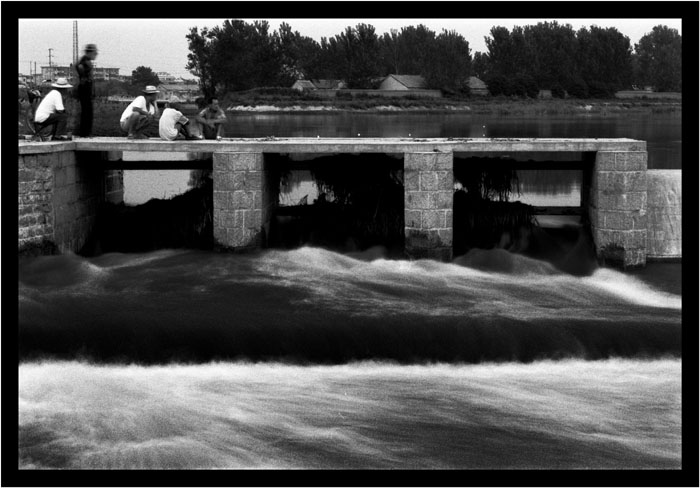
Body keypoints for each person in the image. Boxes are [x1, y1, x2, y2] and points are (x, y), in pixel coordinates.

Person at [75, 43, 98, 137]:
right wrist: (84, 78)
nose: (96, 54)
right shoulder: (84, 61)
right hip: (84, 88)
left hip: (86, 87)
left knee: (88, 111)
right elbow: (79, 68)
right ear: (90, 52)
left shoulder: (86, 61)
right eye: (95, 52)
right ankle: (85, 133)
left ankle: (86, 132)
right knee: (87, 111)